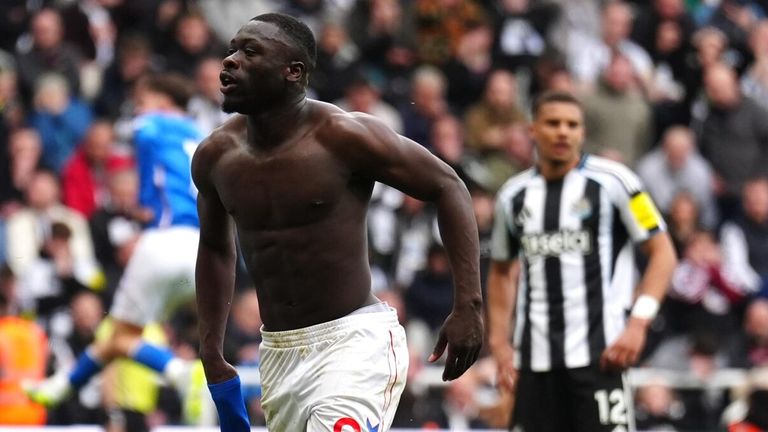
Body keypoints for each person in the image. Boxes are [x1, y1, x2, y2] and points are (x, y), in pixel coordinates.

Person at [191, 13, 484, 432]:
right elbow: (217, 248)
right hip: (278, 353)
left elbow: (449, 185)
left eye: (250, 52)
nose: (230, 61)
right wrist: (211, 349)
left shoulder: (344, 136)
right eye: (232, 49)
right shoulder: (215, 157)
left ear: (293, 72)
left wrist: (469, 304)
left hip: (354, 344)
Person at [487, 91, 678, 432]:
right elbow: (502, 270)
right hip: (534, 363)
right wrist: (499, 343)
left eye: (572, 124)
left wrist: (638, 323)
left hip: (600, 357)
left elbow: (662, 252)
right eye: (553, 123)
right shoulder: (512, 197)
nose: (563, 131)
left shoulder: (618, 182)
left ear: (582, 132)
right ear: (532, 130)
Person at [24, 73, 203, 409]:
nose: (138, 108)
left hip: (163, 243)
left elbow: (112, 139)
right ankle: (61, 386)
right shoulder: (205, 137)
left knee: (120, 337)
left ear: (163, 103)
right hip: (201, 250)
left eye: (143, 101)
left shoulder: (153, 123)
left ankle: (180, 371)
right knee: (121, 335)